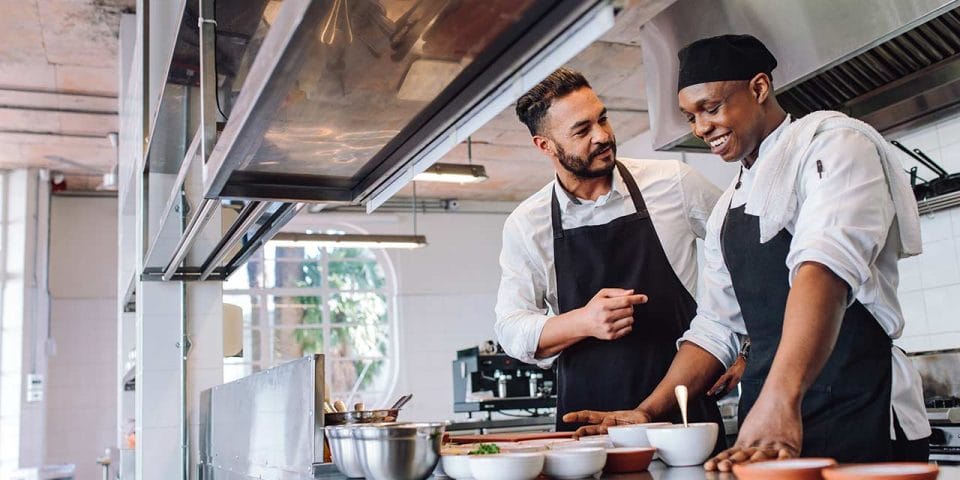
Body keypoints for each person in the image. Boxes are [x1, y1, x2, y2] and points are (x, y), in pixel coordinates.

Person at [564, 34, 930, 469]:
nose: (700, 129)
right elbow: (716, 328)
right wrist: (648, 410)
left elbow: (824, 269)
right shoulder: (727, 208)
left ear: (759, 89)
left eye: (711, 108)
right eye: (690, 117)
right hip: (767, 427)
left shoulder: (835, 146)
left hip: (859, 407)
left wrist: (781, 397)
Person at [495, 67, 726, 436]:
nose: (602, 136)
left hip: (683, 415)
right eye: (582, 130)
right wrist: (584, 322)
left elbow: (746, 259)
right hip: (588, 427)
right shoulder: (528, 223)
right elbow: (510, 329)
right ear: (545, 146)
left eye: (602, 118)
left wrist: (747, 350)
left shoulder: (674, 184)